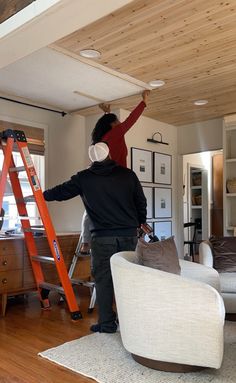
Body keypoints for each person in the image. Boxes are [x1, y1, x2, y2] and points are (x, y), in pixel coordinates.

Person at [43, 142, 147, 333]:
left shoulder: (84, 178)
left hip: (102, 237)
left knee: (104, 280)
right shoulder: (128, 175)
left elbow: (61, 192)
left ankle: (107, 323)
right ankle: (132, 322)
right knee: (129, 279)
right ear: (109, 154)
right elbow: (141, 201)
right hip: (128, 235)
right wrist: (141, 221)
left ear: (91, 159)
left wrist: (40, 195)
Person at [80, 90, 150, 254]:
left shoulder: (102, 139)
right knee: (131, 204)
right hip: (117, 178)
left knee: (92, 208)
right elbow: (130, 121)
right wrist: (144, 102)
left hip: (101, 178)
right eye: (117, 121)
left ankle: (85, 243)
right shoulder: (116, 133)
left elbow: (114, 126)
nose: (120, 123)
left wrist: (107, 113)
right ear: (113, 125)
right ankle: (137, 233)